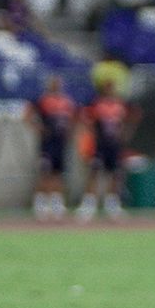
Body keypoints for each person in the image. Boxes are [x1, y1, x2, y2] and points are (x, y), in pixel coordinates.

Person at [77, 80, 136, 221]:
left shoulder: (120, 105)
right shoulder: (96, 104)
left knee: (115, 174)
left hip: (114, 146)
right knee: (94, 173)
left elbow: (132, 117)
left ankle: (112, 206)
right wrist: (91, 134)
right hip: (100, 145)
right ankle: (88, 205)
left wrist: (126, 133)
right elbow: (85, 118)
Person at [27, 75, 76, 221]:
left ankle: (57, 204)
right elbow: (28, 114)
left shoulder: (67, 101)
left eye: (58, 83)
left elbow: (73, 118)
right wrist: (39, 128)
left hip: (60, 143)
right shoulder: (42, 100)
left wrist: (70, 132)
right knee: (44, 173)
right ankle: (40, 205)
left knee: (58, 173)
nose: (56, 86)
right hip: (47, 144)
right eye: (54, 83)